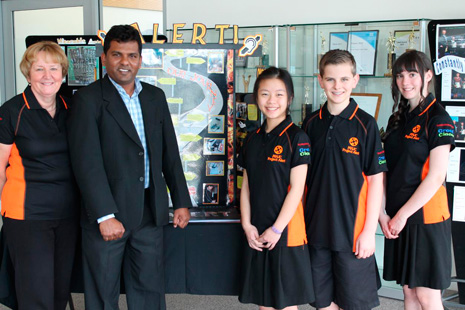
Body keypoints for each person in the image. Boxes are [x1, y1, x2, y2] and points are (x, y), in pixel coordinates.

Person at [67, 25, 191, 310]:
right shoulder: (87, 100)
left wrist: (181, 202)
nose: (125, 62)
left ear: (140, 58)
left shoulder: (155, 97)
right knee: (102, 293)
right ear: (104, 57)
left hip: (150, 210)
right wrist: (104, 215)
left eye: (132, 55)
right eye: (117, 55)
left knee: (149, 289)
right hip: (108, 214)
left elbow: (170, 154)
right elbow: (86, 163)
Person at [302, 49, 386, 310]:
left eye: (344, 79)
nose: (337, 86)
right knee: (322, 303)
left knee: (354, 304)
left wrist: (369, 232)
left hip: (353, 233)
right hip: (316, 230)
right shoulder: (310, 124)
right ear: (320, 80)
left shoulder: (366, 125)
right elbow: (302, 181)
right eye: (330, 79)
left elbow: (375, 182)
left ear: (355, 80)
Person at [0, 41, 79, 309]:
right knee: (36, 293)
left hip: (67, 213)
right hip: (27, 214)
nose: (48, 76)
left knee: (58, 291)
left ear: (63, 72)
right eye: (39, 69)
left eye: (54, 68)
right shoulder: (11, 111)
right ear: (28, 73)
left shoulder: (72, 109)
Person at [380, 50, 454, 310]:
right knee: (409, 293)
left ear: (428, 76)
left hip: (425, 220)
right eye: (400, 75)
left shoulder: (438, 119)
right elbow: (388, 170)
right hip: (399, 219)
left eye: (412, 74)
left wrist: (401, 215)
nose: (405, 81)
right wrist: (384, 213)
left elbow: (436, 177)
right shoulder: (397, 118)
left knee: (427, 296)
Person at [238, 67, 314, 310]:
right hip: (258, 232)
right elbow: (246, 186)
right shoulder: (252, 138)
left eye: (279, 94)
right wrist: (247, 225)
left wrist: (277, 229)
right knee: (265, 303)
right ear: (256, 97)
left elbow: (297, 189)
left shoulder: (297, 137)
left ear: (290, 98)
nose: (272, 101)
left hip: (285, 233)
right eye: (265, 94)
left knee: (285, 304)